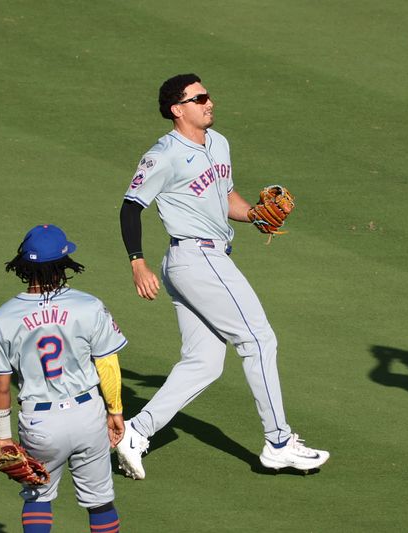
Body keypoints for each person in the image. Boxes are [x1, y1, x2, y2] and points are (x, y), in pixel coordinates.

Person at [115, 73, 329, 479]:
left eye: (209, 95)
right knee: (259, 338)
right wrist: (137, 262)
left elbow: (223, 194)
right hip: (195, 258)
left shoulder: (219, 143)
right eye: (199, 98)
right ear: (178, 110)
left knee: (203, 363)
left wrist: (252, 215)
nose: (209, 102)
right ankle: (279, 442)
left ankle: (135, 433)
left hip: (205, 258)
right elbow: (130, 207)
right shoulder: (163, 155)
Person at [0, 224, 127, 533]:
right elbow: (108, 364)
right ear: (64, 264)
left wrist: (3, 436)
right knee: (99, 501)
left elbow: (1, 384)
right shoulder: (89, 306)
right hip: (88, 414)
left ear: (24, 265)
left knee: (38, 497)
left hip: (40, 424)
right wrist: (115, 411)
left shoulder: (3, 317)